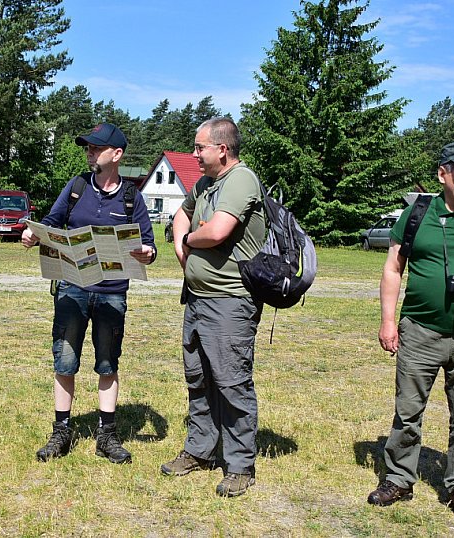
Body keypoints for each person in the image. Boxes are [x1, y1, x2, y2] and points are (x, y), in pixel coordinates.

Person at [367, 141, 454, 526]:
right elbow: (393, 268)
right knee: (408, 412)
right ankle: (399, 479)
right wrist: (388, 320)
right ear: (443, 173)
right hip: (420, 331)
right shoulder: (417, 214)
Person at [21, 123, 157, 464]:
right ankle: (61, 431)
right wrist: (34, 235)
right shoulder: (77, 186)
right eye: (88, 148)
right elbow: (52, 221)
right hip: (72, 289)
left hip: (112, 294)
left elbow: (150, 245)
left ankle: (106, 436)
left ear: (117, 154)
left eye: (96, 148)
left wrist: (147, 253)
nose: (89, 153)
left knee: (108, 363)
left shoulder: (132, 197)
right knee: (65, 361)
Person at [160, 117, 265, 497]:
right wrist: (181, 246)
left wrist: (189, 239)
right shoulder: (206, 183)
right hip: (197, 299)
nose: (194, 154)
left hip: (230, 303)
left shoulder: (241, 180)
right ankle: (199, 450)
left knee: (232, 382)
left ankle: (239, 466)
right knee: (199, 379)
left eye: (199, 147)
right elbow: (181, 214)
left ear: (222, 149)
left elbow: (217, 231)